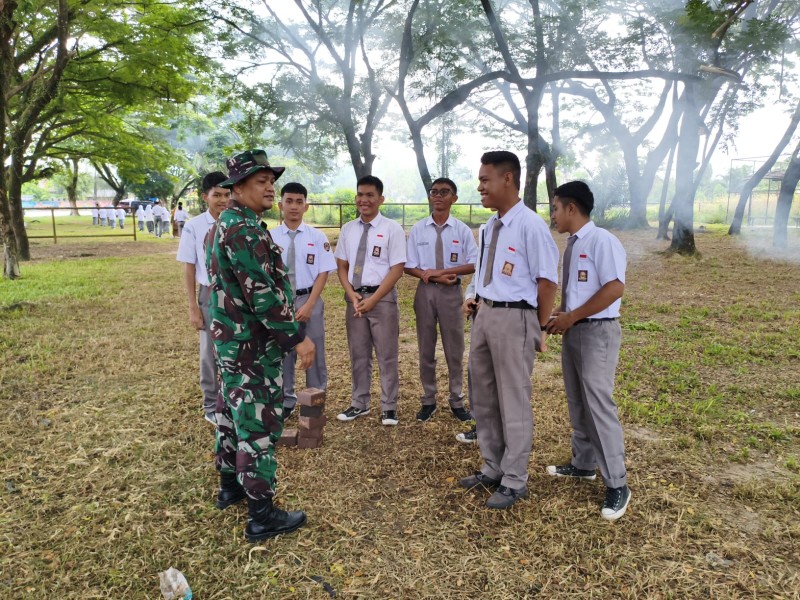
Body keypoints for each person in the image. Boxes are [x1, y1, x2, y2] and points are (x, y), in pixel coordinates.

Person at [207, 149, 314, 542]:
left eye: (271, 181)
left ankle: (230, 487)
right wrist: (297, 339)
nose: (270, 188)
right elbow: (263, 295)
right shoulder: (244, 229)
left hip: (232, 343)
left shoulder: (228, 222)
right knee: (257, 425)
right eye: (261, 181)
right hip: (250, 347)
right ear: (238, 187)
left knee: (230, 415)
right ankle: (262, 515)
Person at [458, 151, 558, 510]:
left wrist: (539, 327)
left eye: (485, 180)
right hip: (484, 315)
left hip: (516, 318)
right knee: (483, 396)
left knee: (513, 399)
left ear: (507, 179)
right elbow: (482, 271)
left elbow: (547, 282)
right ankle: (493, 466)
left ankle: (515, 479)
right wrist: (471, 296)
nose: (480, 187)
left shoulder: (531, 226)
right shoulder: (489, 227)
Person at [544, 181, 630, 521]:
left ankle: (618, 483)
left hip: (597, 332)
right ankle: (583, 464)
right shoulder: (573, 244)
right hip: (576, 329)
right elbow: (580, 292)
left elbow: (615, 287)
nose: (553, 215)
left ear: (571, 208)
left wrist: (573, 315)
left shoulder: (601, 241)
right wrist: (562, 314)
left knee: (598, 403)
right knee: (578, 400)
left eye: (555, 208)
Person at [334, 175, 406, 426]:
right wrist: (350, 292)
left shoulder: (392, 229)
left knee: (387, 354)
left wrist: (374, 299)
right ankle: (359, 403)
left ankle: (389, 407)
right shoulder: (348, 229)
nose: (364, 200)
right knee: (358, 353)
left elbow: (397, 269)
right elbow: (342, 266)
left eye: (370, 195)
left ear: (381, 199)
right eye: (360, 195)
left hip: (381, 299)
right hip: (355, 299)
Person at [404, 178, 477, 423]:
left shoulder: (462, 230)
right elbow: (409, 266)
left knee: (454, 350)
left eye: (444, 192)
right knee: (426, 348)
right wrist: (433, 276)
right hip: (425, 292)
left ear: (454, 198)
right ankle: (428, 399)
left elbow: (474, 263)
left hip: (451, 294)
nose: (438, 196)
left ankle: (457, 400)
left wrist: (441, 272)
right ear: (429, 197)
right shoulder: (418, 229)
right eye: (434, 191)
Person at [269, 182, 336, 420]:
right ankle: (286, 400)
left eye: (299, 202)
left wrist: (309, 304)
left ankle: (314, 398)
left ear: (306, 206)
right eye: (289, 201)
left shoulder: (316, 237)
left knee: (314, 350)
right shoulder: (269, 237)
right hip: (281, 301)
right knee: (284, 351)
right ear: (280, 205)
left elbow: (323, 272)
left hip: (309, 298)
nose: (294, 206)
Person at [176, 172, 230, 426]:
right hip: (209, 294)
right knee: (209, 352)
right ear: (204, 197)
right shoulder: (194, 226)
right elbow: (189, 267)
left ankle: (231, 400)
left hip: (235, 294)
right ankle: (210, 404)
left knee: (234, 349)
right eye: (217, 195)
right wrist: (193, 307)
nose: (223, 200)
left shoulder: (237, 222)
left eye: (227, 194)